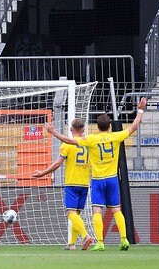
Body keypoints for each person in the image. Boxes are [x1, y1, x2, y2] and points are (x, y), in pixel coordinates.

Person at [45, 97, 147, 251]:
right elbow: (133, 126)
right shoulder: (116, 136)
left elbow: (70, 141)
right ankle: (124, 239)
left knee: (96, 211)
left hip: (97, 180)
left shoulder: (91, 140)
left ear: (97, 127)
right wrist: (140, 109)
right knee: (116, 210)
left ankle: (99, 242)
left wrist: (53, 132)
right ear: (110, 126)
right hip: (112, 179)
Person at [33, 118, 93, 250]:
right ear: (83, 130)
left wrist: (43, 173)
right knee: (76, 214)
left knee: (70, 213)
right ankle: (72, 244)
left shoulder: (66, 145)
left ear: (71, 130)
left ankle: (85, 236)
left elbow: (58, 163)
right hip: (84, 182)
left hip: (72, 182)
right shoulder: (88, 143)